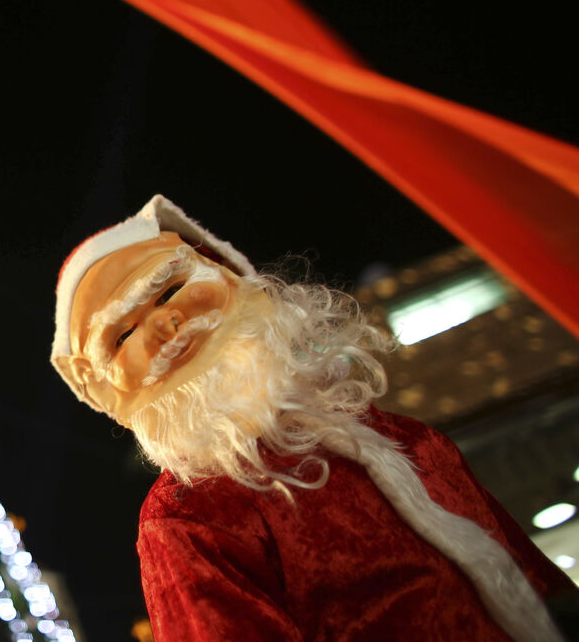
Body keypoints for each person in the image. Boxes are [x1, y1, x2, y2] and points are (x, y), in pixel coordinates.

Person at [50, 194, 573, 642]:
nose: (163, 324)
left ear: (231, 275)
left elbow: (537, 582)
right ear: (104, 383)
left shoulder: (407, 438)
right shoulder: (187, 518)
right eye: (120, 336)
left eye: (168, 289)